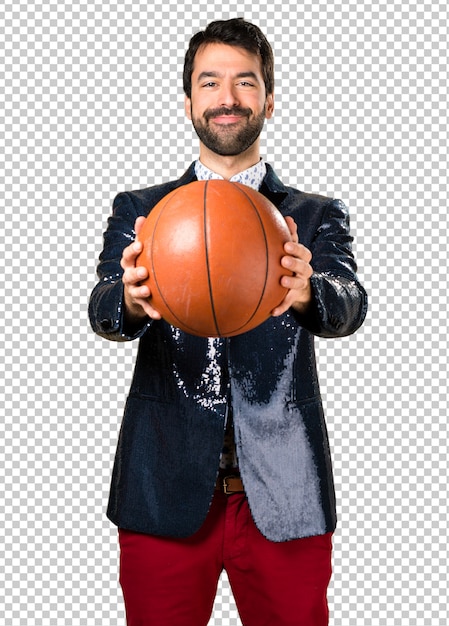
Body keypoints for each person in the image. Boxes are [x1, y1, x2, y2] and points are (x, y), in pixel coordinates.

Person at [89, 17, 368, 626]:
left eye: (245, 81)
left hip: (285, 496)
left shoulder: (314, 215)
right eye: (209, 82)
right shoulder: (142, 210)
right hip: (161, 490)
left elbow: (349, 303)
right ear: (188, 98)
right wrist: (132, 299)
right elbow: (104, 308)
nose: (227, 97)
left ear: (269, 96)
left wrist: (306, 291)